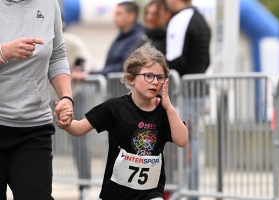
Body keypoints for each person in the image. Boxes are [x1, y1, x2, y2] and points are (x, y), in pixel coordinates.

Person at [56, 45, 188, 200]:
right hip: (116, 193)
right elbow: (79, 128)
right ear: (131, 78)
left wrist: (169, 107)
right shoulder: (115, 107)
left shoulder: (164, 111)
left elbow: (182, 140)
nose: (154, 82)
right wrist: (67, 124)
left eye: (160, 77)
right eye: (148, 76)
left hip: (151, 192)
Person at [0, 1, 73, 200]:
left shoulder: (49, 4)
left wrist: (66, 97)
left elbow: (57, 55)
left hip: (33, 128)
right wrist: (4, 52)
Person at [165, 0, 211, 199]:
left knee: (186, 142)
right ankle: (190, 191)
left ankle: (188, 192)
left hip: (185, 90)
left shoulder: (180, 19)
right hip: (199, 89)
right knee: (192, 140)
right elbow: (206, 60)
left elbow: (175, 60)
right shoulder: (201, 20)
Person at [62, 15, 94, 200]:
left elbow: (85, 62)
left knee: (79, 141)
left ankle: (85, 186)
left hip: (74, 95)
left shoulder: (72, 42)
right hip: (45, 97)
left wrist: (78, 71)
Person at [90, 1, 144, 76]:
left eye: (118, 14)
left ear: (131, 16)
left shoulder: (138, 39)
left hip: (122, 86)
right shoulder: (120, 37)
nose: (114, 18)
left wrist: (92, 74)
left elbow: (123, 66)